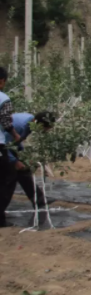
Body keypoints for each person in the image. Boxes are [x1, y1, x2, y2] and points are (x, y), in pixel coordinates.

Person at [3, 112, 57, 209]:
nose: (45, 131)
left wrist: (23, 156)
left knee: (24, 171)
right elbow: (4, 145)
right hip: (2, 147)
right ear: (39, 124)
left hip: (7, 147)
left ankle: (39, 200)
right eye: (45, 129)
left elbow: (16, 141)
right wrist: (14, 161)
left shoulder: (30, 123)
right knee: (10, 178)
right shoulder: (20, 126)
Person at [0, 66, 24, 228]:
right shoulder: (3, 98)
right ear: (2, 81)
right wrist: (15, 135)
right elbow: (6, 121)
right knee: (6, 178)